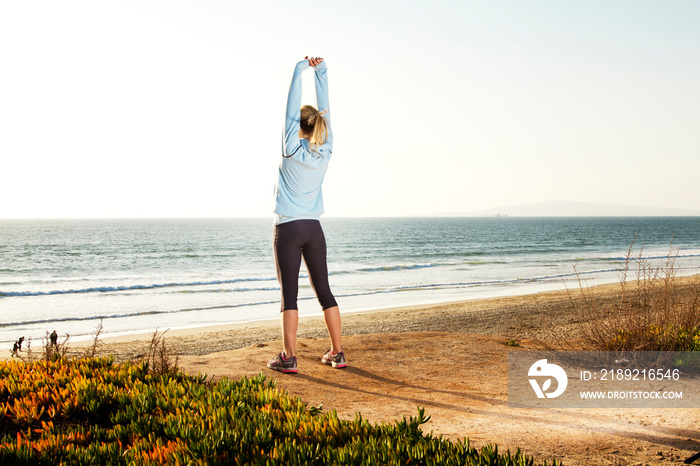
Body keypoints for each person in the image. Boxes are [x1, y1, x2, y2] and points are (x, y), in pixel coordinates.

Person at [267, 56, 345, 374]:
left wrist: (299, 71)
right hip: (314, 229)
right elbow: (323, 111)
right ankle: (337, 353)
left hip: (288, 228)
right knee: (324, 290)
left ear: (298, 127)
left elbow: (290, 109)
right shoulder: (324, 150)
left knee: (289, 295)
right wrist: (321, 73)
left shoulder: (291, 148)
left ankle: (289, 357)